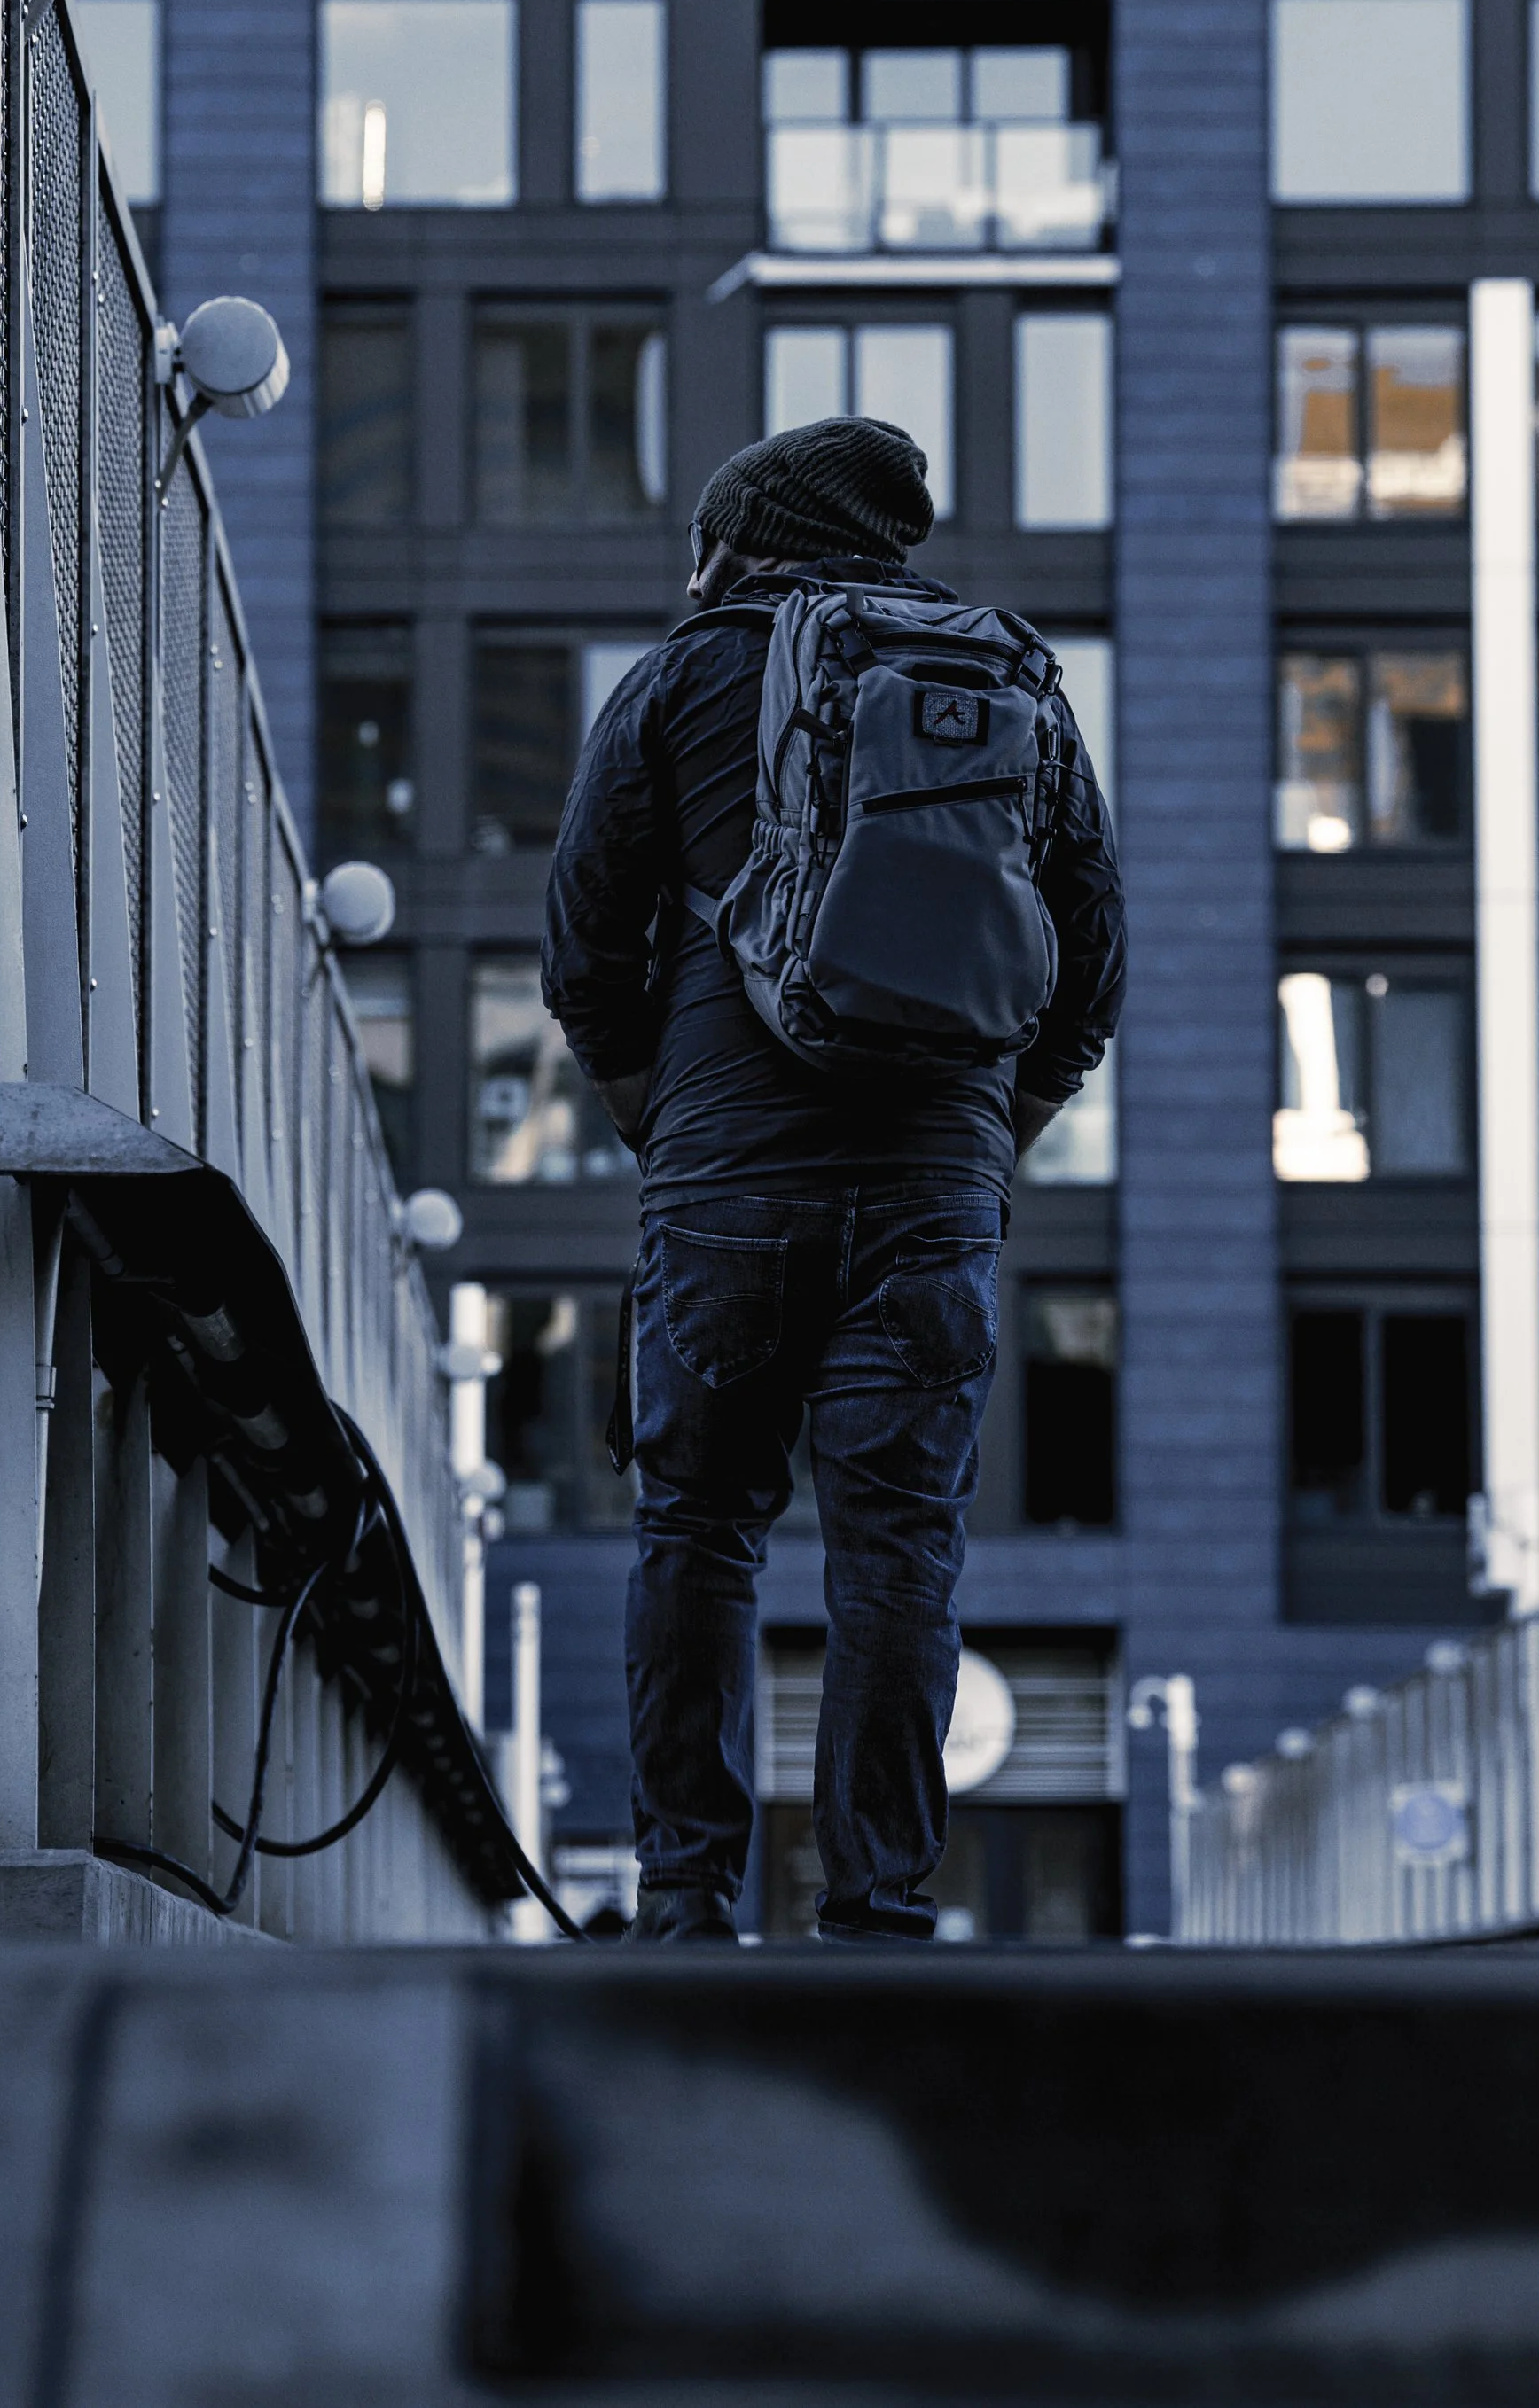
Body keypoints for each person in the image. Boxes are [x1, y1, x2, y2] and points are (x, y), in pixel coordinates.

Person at [542, 415, 1124, 1944]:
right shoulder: (1008, 685)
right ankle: (876, 1909)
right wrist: (993, 1135)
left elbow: (581, 942)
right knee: (899, 1547)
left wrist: (665, 1121)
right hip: (932, 1191)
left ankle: (684, 1896)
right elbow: (1091, 965)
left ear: (738, 539)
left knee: (699, 1525)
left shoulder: (684, 674)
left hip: (723, 1173)